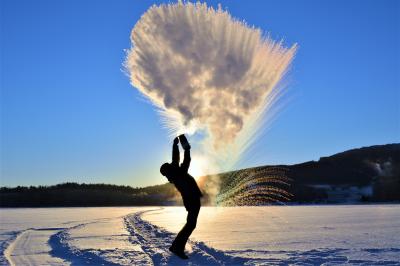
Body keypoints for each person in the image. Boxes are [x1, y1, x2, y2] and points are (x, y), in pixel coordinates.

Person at [160, 134, 203, 259]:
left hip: (190, 200)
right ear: (169, 169)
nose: (172, 164)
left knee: (190, 224)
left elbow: (175, 159)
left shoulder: (175, 175)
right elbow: (182, 159)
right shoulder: (179, 173)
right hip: (192, 200)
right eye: (170, 165)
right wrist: (184, 146)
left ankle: (176, 246)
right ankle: (177, 248)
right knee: (190, 224)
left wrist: (175, 145)